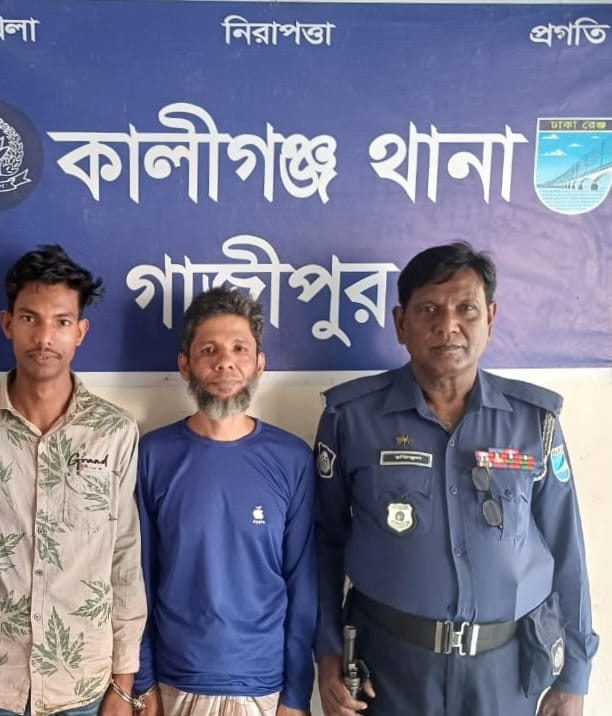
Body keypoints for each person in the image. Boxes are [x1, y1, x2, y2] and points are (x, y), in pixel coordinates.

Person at [314, 242, 599, 716]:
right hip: (388, 670)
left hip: (505, 673)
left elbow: (567, 546)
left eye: (466, 308)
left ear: (490, 317)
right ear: (401, 323)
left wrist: (575, 674)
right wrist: (326, 654)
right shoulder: (350, 419)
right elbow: (323, 544)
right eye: (429, 309)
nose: (448, 325)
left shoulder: (535, 423)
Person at [0, 245, 146, 716]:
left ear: (80, 332)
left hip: (82, 685)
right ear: (7, 323)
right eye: (30, 318)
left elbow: (124, 556)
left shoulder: (114, 431)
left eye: (61, 321)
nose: (45, 337)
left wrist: (124, 682)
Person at [135, 286, 317, 716]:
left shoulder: (292, 459)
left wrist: (296, 696)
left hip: (263, 686)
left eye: (239, 349)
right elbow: (136, 578)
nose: (225, 362)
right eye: (209, 350)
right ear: (185, 365)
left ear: (259, 364)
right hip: (173, 683)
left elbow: (303, 584)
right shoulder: (152, 455)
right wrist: (142, 682)